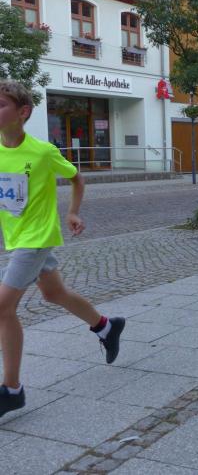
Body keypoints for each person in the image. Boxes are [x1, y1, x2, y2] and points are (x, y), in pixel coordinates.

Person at [0, 81, 125, 418]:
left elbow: (77, 178)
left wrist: (72, 212)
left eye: (0, 105)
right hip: (16, 236)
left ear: (22, 112)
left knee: (2, 308)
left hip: (37, 238)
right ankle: (106, 326)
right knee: (54, 293)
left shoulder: (42, 152)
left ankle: (12, 389)